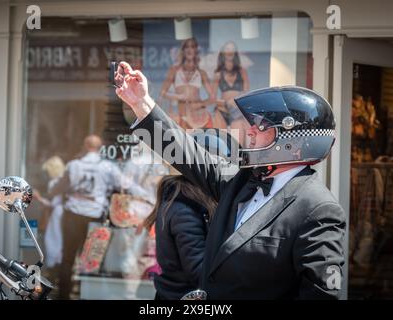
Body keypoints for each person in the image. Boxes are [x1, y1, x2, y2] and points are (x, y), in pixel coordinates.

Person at [114, 61, 346, 299]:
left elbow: (321, 293)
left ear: (293, 141)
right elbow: (186, 153)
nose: (251, 130)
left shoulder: (318, 208)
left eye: (263, 125)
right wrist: (140, 102)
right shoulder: (241, 180)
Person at [49, 134, 123, 300]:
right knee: (92, 259)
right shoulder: (107, 167)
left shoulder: (73, 165)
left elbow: (58, 189)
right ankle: (86, 295)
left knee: (68, 257)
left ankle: (64, 296)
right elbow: (123, 185)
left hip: (73, 216)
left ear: (85, 145)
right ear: (100, 147)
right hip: (95, 217)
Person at [141, 175, 216, 300]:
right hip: (183, 294)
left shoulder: (175, 205)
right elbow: (197, 271)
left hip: (172, 292)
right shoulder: (185, 212)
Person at [159, 38, 214, 129]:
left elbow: (212, 98)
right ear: (183, 50)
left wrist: (199, 104)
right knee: (181, 142)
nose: (189, 49)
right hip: (180, 115)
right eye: (187, 47)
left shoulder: (201, 73)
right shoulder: (174, 70)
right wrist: (178, 96)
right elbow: (162, 93)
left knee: (199, 142)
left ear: (196, 50)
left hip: (197, 116)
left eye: (192, 47)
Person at [212, 41, 250, 136]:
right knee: (220, 139)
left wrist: (234, 101)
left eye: (232, 49)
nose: (230, 51)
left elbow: (247, 93)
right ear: (223, 53)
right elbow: (212, 97)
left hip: (237, 110)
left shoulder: (242, 71)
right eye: (227, 49)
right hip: (222, 109)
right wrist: (224, 103)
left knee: (238, 139)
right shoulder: (218, 73)